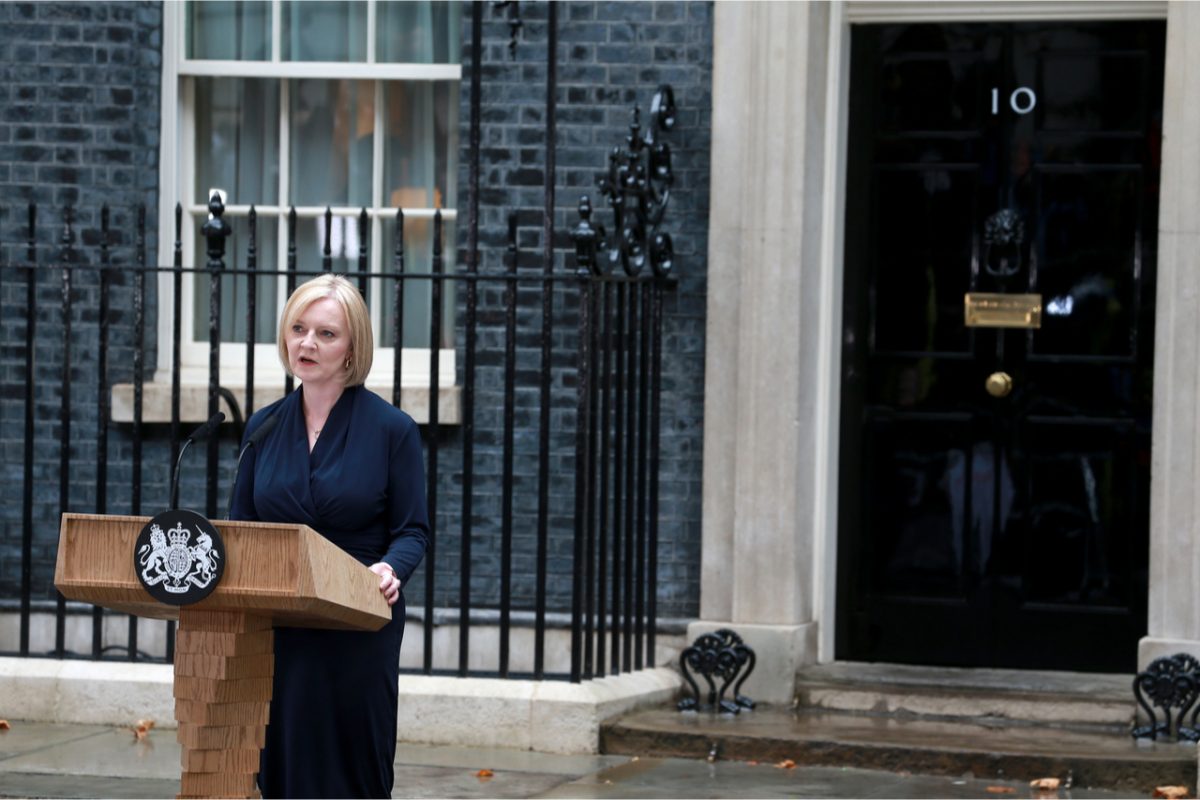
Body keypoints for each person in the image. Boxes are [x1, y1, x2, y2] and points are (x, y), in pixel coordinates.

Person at [229, 274, 429, 798]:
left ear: (351, 348)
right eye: (298, 329)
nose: (307, 344)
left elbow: (412, 530)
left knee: (351, 761)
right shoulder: (263, 428)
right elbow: (240, 530)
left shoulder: (393, 430)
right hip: (283, 622)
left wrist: (389, 569)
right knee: (285, 755)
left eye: (325, 333)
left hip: (357, 618)